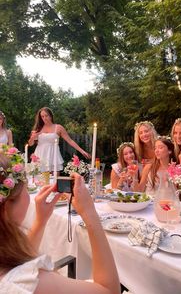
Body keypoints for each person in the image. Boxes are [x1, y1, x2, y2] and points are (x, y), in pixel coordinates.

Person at [0, 146, 120, 294]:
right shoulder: (31, 283)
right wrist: (90, 214)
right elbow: (110, 290)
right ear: (6, 208)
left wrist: (40, 220)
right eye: (24, 186)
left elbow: (18, 261)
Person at [28, 107, 91, 173]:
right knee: (39, 181)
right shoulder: (38, 128)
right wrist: (33, 137)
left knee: (54, 181)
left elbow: (70, 141)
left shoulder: (58, 128)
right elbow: (30, 144)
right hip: (39, 156)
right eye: (42, 116)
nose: (44, 118)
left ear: (51, 116)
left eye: (46, 116)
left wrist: (82, 151)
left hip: (53, 156)